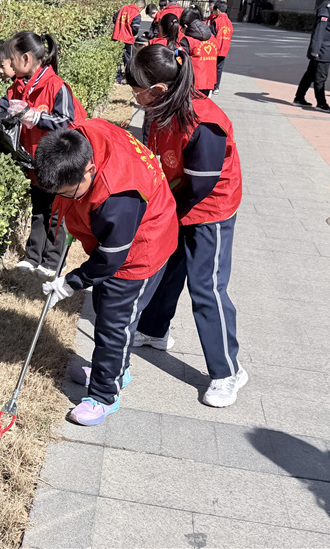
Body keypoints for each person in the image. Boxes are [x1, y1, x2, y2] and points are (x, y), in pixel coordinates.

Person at [126, 44, 247, 408]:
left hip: (209, 209)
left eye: (137, 90)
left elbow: (199, 187)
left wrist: (165, 210)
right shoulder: (159, 110)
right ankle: (154, 331)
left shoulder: (204, 123)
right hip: (176, 200)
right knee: (166, 267)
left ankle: (228, 371)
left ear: (158, 89)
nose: (134, 97)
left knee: (206, 286)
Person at [35, 119, 179, 426]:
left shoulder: (118, 196)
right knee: (105, 309)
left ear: (89, 168)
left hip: (141, 248)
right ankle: (114, 371)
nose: (66, 198)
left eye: (69, 193)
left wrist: (70, 282)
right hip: (121, 237)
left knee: (114, 323)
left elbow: (111, 259)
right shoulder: (83, 135)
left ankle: (104, 395)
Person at [0, 32, 88, 277]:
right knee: (39, 208)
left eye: (11, 59)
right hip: (34, 160)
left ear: (26, 58)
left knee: (56, 212)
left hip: (57, 160)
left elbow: (68, 122)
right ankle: (33, 256)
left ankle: (53, 261)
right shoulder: (19, 87)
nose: (10, 64)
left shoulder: (56, 86)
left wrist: (37, 117)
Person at [180, 7, 218, 96]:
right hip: (209, 81)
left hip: (193, 83)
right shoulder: (212, 38)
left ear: (186, 26)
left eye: (182, 28)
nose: (181, 30)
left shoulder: (188, 41)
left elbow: (179, 59)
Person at [113, 0, 146, 85]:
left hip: (116, 37)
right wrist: (132, 33)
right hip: (127, 39)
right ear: (140, 7)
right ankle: (129, 79)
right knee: (128, 60)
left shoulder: (123, 8)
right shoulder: (136, 14)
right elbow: (135, 28)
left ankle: (117, 78)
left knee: (117, 58)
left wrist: (119, 27)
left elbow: (114, 18)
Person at [210, 1, 233, 94]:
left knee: (211, 67)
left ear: (218, 10)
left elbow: (212, 35)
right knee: (219, 68)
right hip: (224, 48)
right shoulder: (229, 22)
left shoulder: (216, 21)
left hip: (215, 48)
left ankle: (210, 85)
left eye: (214, 11)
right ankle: (216, 87)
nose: (213, 13)